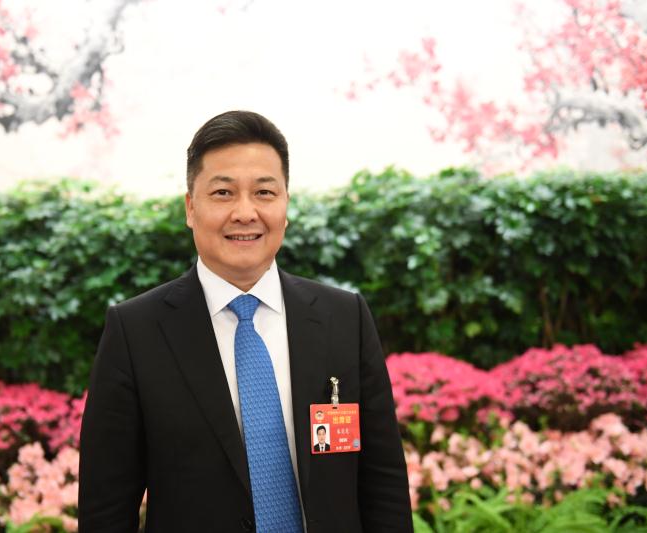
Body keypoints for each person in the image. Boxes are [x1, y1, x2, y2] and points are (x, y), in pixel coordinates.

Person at [78, 111, 412, 532]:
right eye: (223, 192)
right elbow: (106, 509)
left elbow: (383, 485)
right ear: (190, 207)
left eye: (264, 192)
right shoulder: (135, 332)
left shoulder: (344, 318)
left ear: (286, 205)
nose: (245, 212)